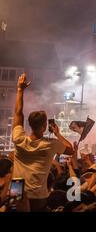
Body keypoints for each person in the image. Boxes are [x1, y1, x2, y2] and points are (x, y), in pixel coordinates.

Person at [11, 73, 74, 211]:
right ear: (45, 126)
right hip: (37, 193)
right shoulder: (50, 144)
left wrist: (20, 90)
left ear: (29, 124)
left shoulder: (18, 139)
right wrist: (58, 134)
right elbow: (70, 149)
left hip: (16, 188)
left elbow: (18, 113)